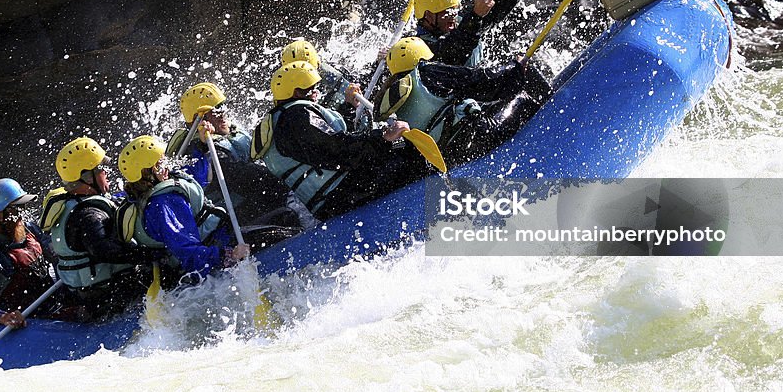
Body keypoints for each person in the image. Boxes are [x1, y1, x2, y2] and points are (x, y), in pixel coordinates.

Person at [251, 60, 432, 219]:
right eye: (312, 88)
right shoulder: (296, 115)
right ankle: (438, 200)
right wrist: (384, 138)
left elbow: (329, 142)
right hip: (343, 195)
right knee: (408, 152)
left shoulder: (284, 119)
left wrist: (349, 107)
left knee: (396, 145)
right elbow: (337, 149)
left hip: (332, 199)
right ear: (297, 93)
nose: (317, 93)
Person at [376, 37, 551, 166]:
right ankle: (559, 100)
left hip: (453, 157)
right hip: (480, 139)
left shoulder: (396, 102)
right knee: (523, 99)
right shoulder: (428, 72)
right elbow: (484, 82)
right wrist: (515, 67)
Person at [165, 82, 316, 233]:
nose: (223, 113)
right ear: (197, 121)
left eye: (223, 106)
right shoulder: (201, 155)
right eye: (215, 110)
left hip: (253, 203)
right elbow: (252, 180)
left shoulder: (230, 133)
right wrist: (286, 180)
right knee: (287, 214)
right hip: (232, 221)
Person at [117, 135, 250, 287]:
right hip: (216, 248)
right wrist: (229, 255)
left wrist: (201, 145)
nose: (166, 164)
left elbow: (197, 178)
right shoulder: (163, 205)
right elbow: (188, 252)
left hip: (218, 238)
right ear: (150, 171)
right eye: (161, 162)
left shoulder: (150, 189)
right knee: (279, 222)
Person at [39, 137, 151, 319]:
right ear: (87, 177)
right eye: (101, 169)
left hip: (94, 293)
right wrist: (147, 254)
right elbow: (102, 250)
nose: (106, 173)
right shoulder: (88, 215)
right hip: (108, 298)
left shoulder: (73, 204)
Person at [0, 178, 83, 327]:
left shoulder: (30, 229)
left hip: (55, 303)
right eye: (18, 207)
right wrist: (3, 317)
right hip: (32, 318)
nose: (22, 213)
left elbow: (58, 258)